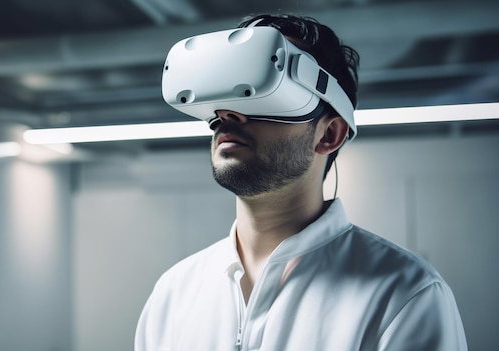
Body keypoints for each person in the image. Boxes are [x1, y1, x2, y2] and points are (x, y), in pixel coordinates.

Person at [135, 14, 468, 350]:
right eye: (228, 97)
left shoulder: (404, 295)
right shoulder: (174, 294)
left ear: (329, 134)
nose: (228, 115)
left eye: (264, 92)